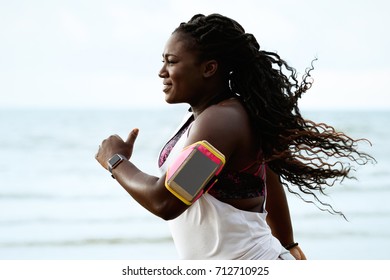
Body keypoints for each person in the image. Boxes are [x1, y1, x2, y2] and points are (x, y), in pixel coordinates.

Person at [95, 14, 373, 260]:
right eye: (163, 62)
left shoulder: (222, 122)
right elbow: (270, 174)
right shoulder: (209, 115)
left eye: (172, 62)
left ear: (209, 68)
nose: (161, 72)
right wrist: (288, 244)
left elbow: (168, 201)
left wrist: (116, 161)